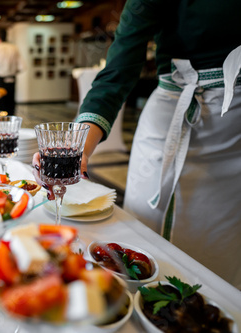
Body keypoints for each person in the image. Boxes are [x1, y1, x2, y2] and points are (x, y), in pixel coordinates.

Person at [34, 0, 241, 288]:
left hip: (235, 128)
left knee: (217, 255)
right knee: (140, 243)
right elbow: (117, 71)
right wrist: (76, 145)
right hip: (170, 113)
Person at [0, 29, 25, 115]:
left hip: (0, 81)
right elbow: (22, 67)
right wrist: (12, 72)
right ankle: (11, 125)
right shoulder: (14, 48)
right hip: (12, 80)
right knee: (10, 105)